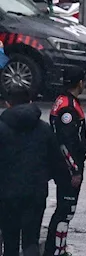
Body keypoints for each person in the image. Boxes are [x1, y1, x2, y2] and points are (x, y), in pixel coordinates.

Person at [0, 87, 66, 256]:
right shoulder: (43, 129)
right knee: (31, 240)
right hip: (35, 192)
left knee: (10, 240)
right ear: (30, 102)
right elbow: (57, 162)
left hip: (6, 194)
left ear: (8, 104)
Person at [44, 67, 86, 256]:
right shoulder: (68, 108)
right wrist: (75, 170)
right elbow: (65, 143)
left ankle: (55, 248)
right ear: (79, 83)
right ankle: (56, 250)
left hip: (63, 166)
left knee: (64, 210)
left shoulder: (62, 102)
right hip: (67, 169)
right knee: (66, 211)